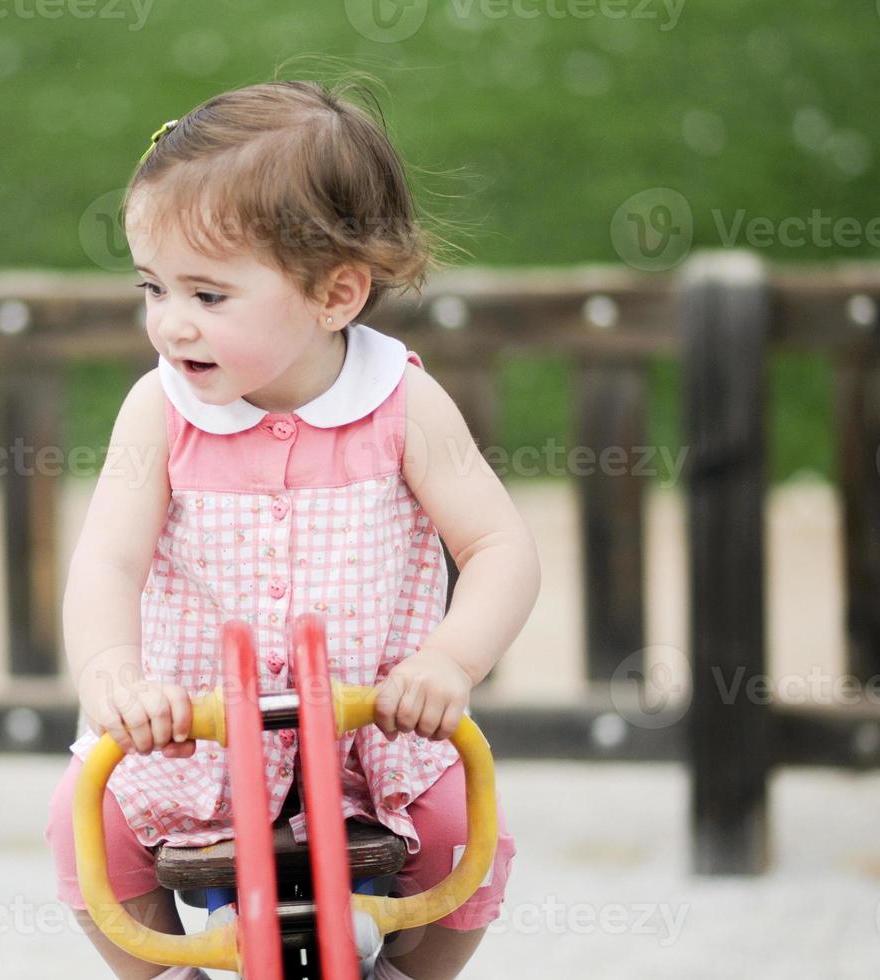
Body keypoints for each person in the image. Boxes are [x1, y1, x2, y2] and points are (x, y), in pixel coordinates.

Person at [45, 77, 541, 980]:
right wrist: (116, 676)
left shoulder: (401, 402)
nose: (170, 323)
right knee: (88, 830)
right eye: (152, 287)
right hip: (193, 733)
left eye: (208, 294)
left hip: (372, 732)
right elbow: (107, 565)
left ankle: (417, 973)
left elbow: (500, 547)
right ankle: (166, 973)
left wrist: (449, 665)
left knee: (466, 829)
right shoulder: (160, 413)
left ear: (335, 295)